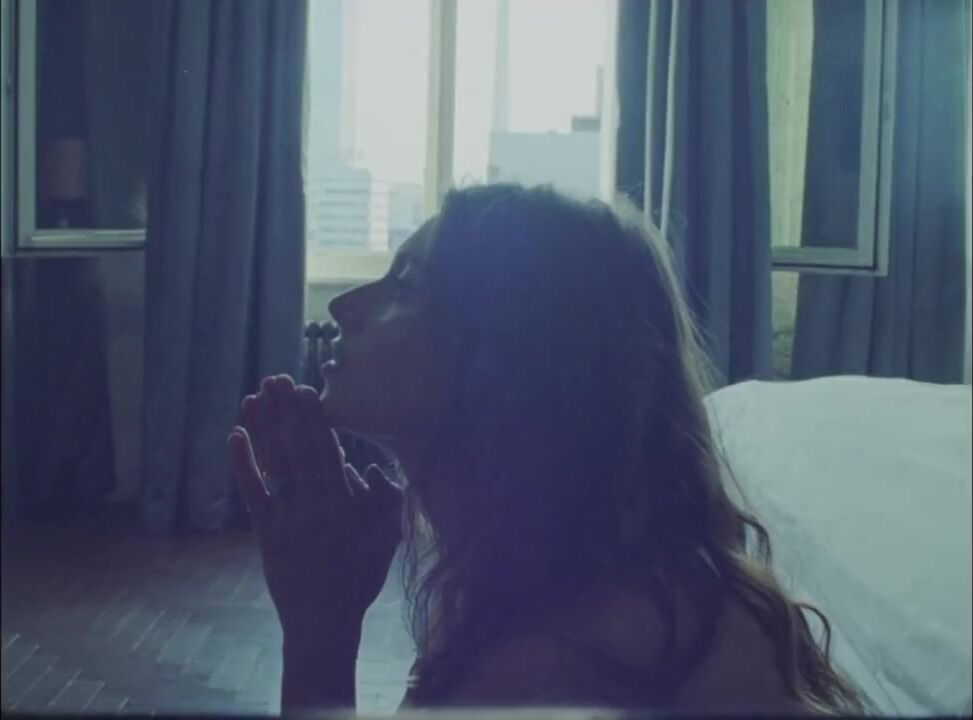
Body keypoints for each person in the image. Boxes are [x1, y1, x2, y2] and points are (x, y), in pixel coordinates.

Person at [227, 184, 864, 715]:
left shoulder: (581, 649)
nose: (344, 306)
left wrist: (319, 643)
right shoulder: (525, 585)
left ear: (514, 357)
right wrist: (325, 619)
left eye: (405, 285)